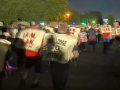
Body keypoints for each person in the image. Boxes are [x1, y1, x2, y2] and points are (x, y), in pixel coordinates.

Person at [42, 21, 79, 90]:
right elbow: (75, 53)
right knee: (63, 77)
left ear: (58, 28)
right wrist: (75, 58)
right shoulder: (71, 39)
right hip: (64, 61)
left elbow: (44, 48)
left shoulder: (49, 36)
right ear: (66, 29)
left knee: (54, 76)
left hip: (53, 59)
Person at [17, 21, 46, 88]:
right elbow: (44, 42)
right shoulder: (41, 32)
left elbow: (19, 41)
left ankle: (23, 79)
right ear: (37, 25)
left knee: (27, 67)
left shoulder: (24, 31)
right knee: (37, 69)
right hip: (36, 52)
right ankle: (34, 82)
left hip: (26, 51)